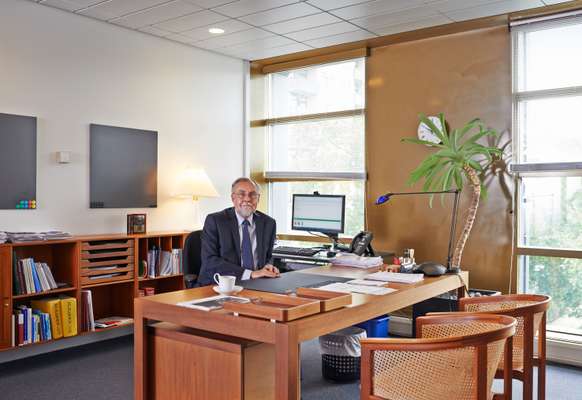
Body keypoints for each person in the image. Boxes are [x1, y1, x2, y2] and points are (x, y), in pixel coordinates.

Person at [197, 177, 280, 286]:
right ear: (233, 198)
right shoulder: (215, 221)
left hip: (257, 284)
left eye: (253, 194)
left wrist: (268, 267)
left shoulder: (268, 223)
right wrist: (250, 274)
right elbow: (210, 262)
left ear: (258, 199)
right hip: (219, 285)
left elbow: (268, 257)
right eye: (241, 194)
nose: (247, 199)